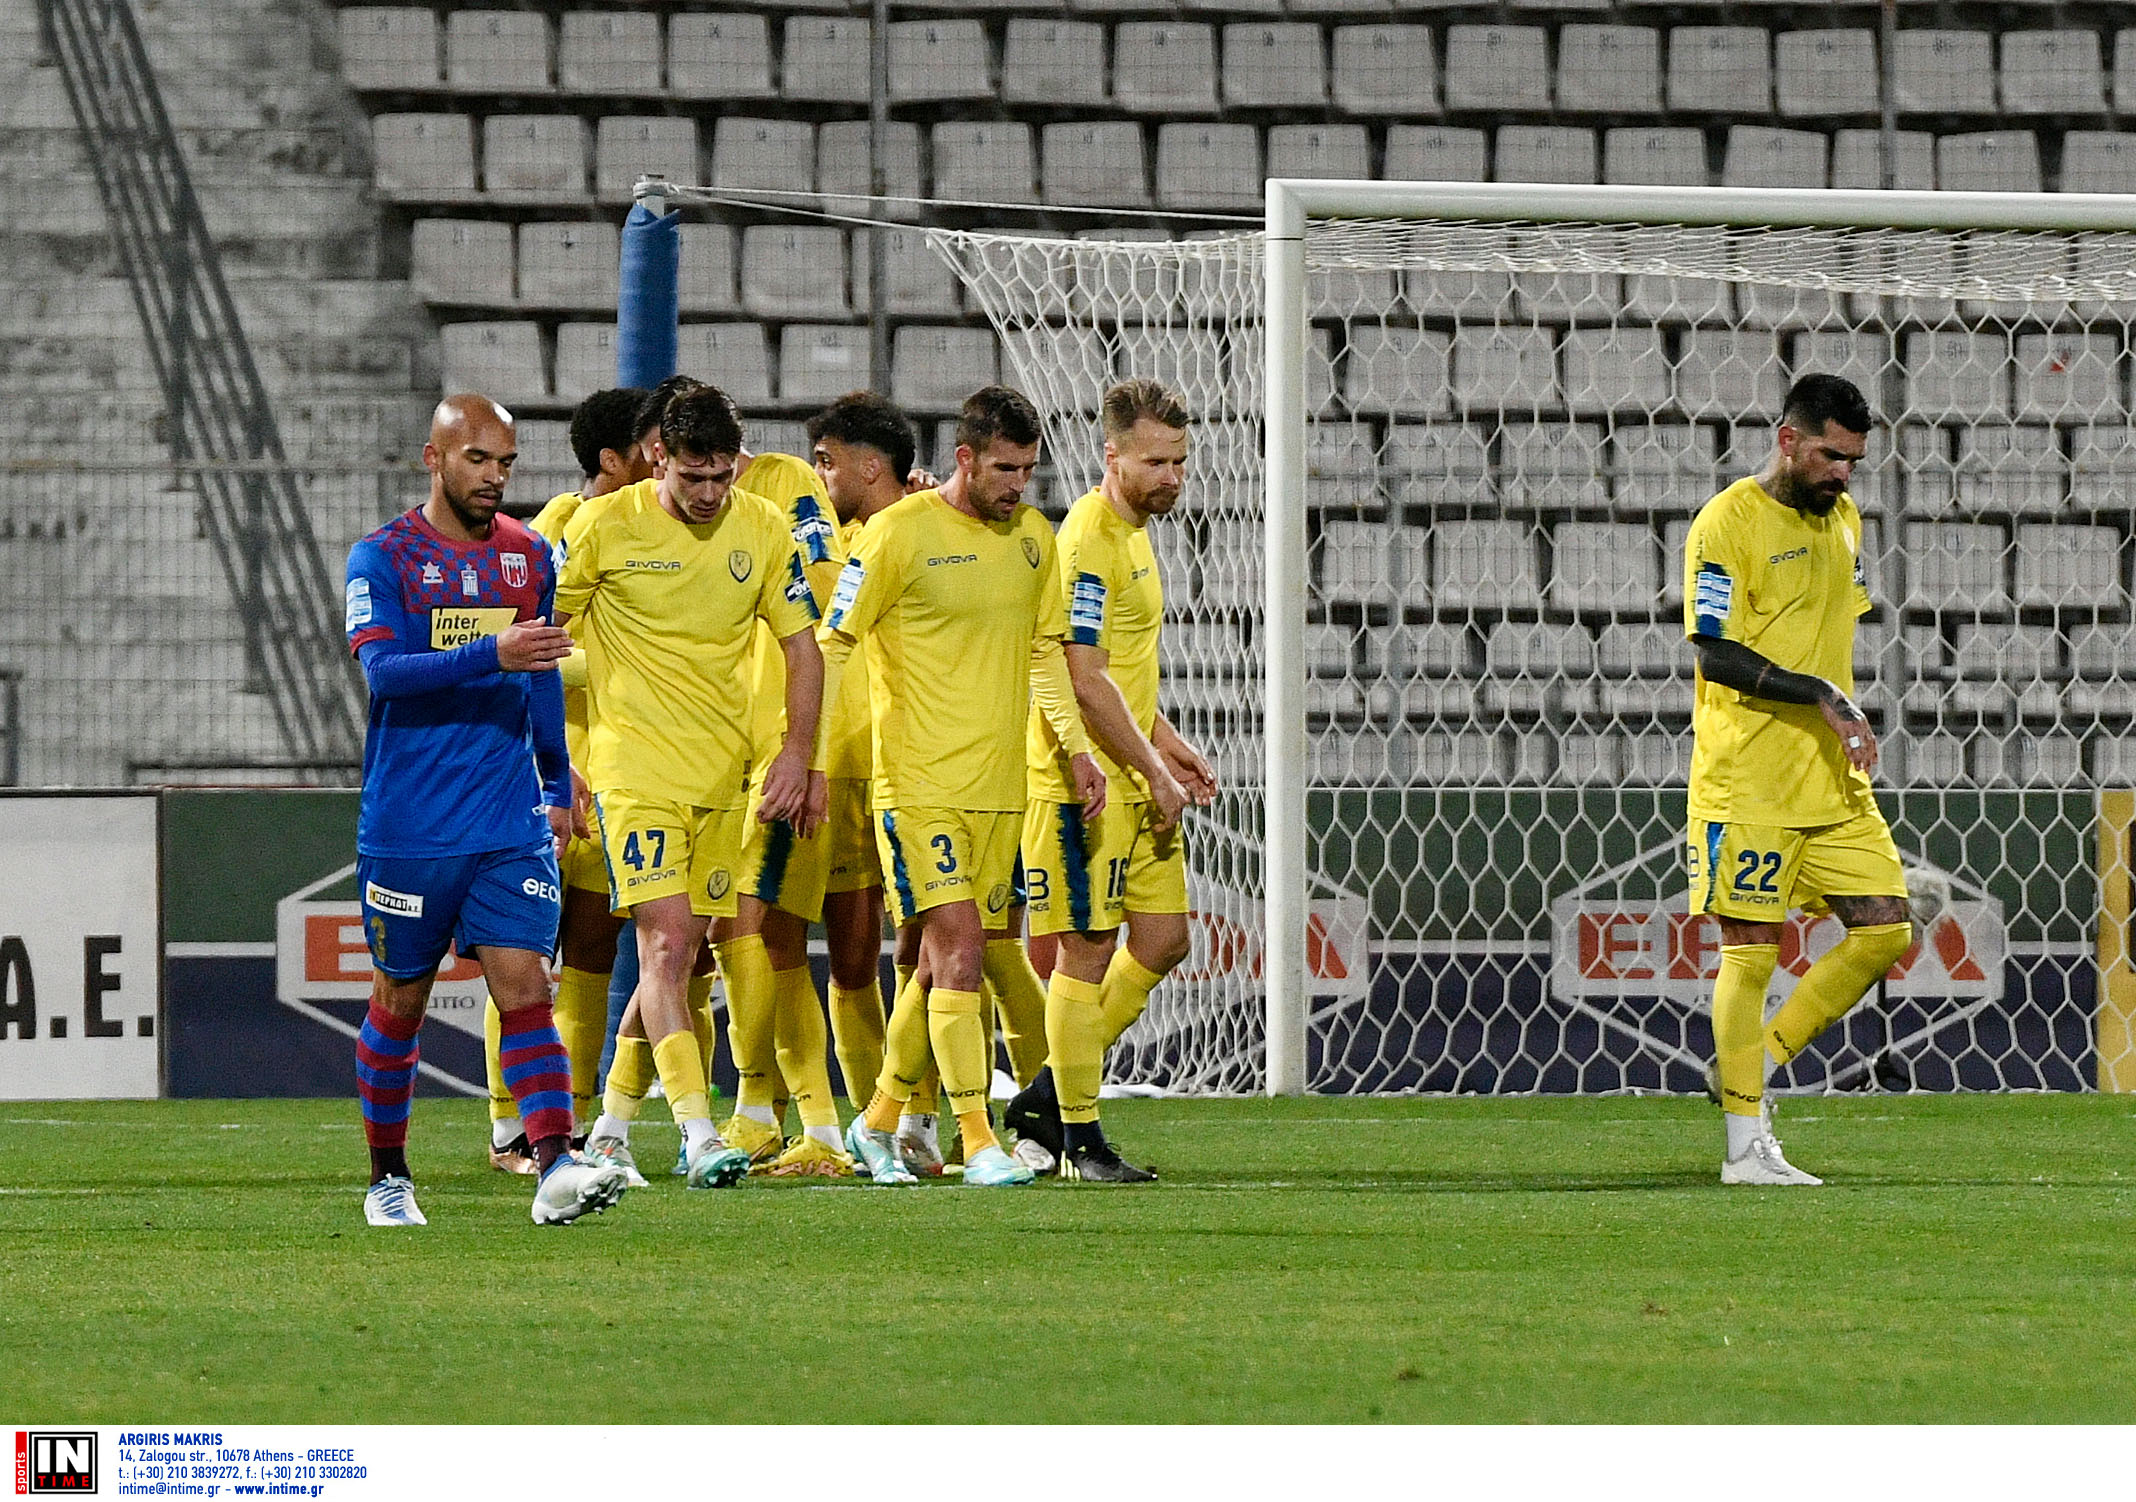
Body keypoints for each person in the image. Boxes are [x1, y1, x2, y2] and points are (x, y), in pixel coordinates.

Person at [344, 393, 629, 1226]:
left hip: (506, 817)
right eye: (478, 460)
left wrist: (555, 772)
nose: (495, 478)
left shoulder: (528, 556)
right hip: (410, 823)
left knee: (525, 988)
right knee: (401, 1000)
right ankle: (388, 1177)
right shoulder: (383, 557)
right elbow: (386, 675)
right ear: (434, 459)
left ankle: (553, 1166)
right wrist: (488, 651)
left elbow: (538, 668)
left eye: (505, 463)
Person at [819, 385, 1105, 1187]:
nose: (1019, 485)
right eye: (1006, 468)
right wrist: (804, 758)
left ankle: (875, 1122)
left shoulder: (1034, 543)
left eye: (1030, 471)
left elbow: (1048, 652)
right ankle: (978, 1136)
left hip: (1000, 788)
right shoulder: (897, 534)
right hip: (918, 787)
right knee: (965, 953)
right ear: (966, 457)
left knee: (934, 966)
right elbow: (835, 643)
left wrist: (1077, 749)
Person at [556, 385, 828, 1190]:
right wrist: (550, 756)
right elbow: (540, 636)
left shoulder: (763, 527)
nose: (710, 495)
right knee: (667, 944)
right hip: (634, 772)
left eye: (722, 478)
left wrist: (797, 754)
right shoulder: (603, 527)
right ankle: (699, 1133)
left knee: (675, 960)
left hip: (724, 777)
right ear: (657, 459)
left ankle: (608, 1129)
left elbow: (803, 650)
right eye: (693, 478)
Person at [1683, 372, 1913, 1187]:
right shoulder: (1726, 524)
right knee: (1750, 955)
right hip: (1748, 782)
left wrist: (1841, 712)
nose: (1843, 474)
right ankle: (1745, 1150)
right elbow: (1714, 651)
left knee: (1885, 930)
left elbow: (1827, 639)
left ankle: (1753, 1063)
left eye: (1852, 461)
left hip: (1829, 782)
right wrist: (1820, 695)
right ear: (1788, 438)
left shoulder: (1843, 521)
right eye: (1829, 456)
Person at [1008, 379, 1217, 1182]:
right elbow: (1083, 675)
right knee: (1088, 949)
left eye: (1180, 462)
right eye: (1156, 462)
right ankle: (1080, 1137)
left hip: (1134, 766)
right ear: (1112, 456)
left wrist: (1169, 741)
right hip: (1083, 781)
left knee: (1165, 941)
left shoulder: (1137, 533)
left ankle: (1043, 1100)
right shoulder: (1090, 540)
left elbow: (1125, 676)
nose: (1172, 477)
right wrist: (1147, 763)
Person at [481, 385, 649, 1177]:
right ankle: (509, 1125)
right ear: (612, 459)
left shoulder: (656, 532)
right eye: (649, 446)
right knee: (523, 958)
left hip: (622, 773)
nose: (664, 460)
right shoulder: (550, 531)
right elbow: (524, 653)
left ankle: (564, 1120)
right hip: (553, 775)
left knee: (592, 951)